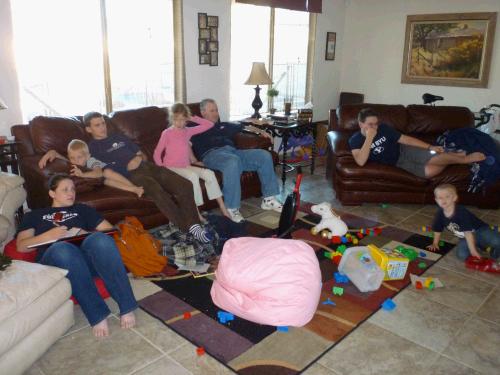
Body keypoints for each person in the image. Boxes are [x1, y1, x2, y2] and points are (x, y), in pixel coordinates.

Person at [39, 112, 212, 243]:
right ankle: (188, 229)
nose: (103, 127)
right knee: (157, 192)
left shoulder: (119, 137)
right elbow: (76, 158)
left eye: (103, 123)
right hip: (132, 174)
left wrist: (139, 158)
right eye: (97, 125)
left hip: (147, 166)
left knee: (184, 184)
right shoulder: (92, 148)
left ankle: (194, 224)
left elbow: (141, 154)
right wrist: (56, 153)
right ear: (89, 129)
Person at [16, 174, 138, 338]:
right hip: (56, 259)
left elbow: (110, 233)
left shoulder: (82, 209)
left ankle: (127, 306)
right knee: (63, 249)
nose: (71, 193)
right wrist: (49, 236)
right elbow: (21, 246)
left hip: (86, 260)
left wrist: (84, 233)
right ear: (52, 193)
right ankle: (97, 314)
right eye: (65, 189)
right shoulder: (34, 215)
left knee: (99, 240)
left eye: (73, 189)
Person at [191, 98, 282, 223]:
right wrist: (193, 160)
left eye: (216, 110)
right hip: (212, 155)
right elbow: (180, 137)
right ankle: (232, 208)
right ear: (202, 113)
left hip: (233, 152)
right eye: (212, 110)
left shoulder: (224, 126)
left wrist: (261, 131)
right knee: (232, 162)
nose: (216, 113)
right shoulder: (194, 126)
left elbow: (244, 126)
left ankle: (269, 199)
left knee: (264, 156)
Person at [349, 108, 486, 178]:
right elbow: (360, 161)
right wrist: (369, 138)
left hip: (405, 149)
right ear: (361, 124)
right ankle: (456, 156)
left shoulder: (384, 128)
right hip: (397, 162)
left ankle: (466, 159)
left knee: (434, 157)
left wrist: (429, 146)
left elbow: (406, 139)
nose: (374, 127)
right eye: (370, 124)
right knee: (429, 172)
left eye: (376, 123)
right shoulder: (354, 140)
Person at [153, 103, 231, 221]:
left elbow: (209, 124)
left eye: (183, 120)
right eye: (176, 120)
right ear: (172, 119)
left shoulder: (187, 131)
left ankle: (223, 207)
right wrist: (161, 170)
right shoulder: (167, 133)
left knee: (209, 174)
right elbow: (157, 154)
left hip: (185, 166)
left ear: (186, 119)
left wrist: (192, 117)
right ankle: (197, 213)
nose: (179, 123)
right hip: (171, 167)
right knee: (193, 176)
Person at [41, 139, 144, 197]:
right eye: (72, 158)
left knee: (106, 172)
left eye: (79, 157)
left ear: (88, 156)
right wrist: (53, 153)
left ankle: (133, 186)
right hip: (106, 177)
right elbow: (65, 161)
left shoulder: (91, 161)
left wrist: (83, 175)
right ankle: (134, 189)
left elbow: (99, 172)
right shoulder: (76, 162)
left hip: (117, 169)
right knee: (106, 181)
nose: (75, 161)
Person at [427, 184, 500, 263]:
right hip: (465, 237)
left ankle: (493, 232)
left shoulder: (461, 212)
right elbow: (437, 230)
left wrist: (473, 251)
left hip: (480, 230)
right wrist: (435, 243)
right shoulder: (439, 214)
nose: (443, 200)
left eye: (447, 196)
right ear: (436, 200)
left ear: (454, 198)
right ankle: (480, 245)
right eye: (440, 198)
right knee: (462, 255)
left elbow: (468, 233)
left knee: (497, 241)